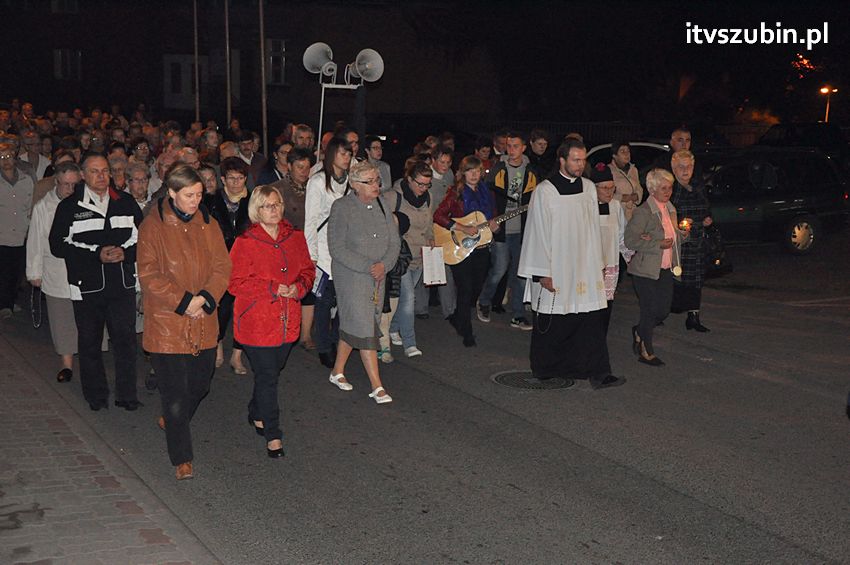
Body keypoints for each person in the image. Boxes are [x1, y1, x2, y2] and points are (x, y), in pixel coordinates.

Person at [137, 164, 231, 480]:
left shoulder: (209, 224)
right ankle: (182, 457)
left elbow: (222, 267)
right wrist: (183, 302)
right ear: (172, 193)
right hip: (168, 322)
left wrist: (204, 298)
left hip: (203, 318)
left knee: (201, 385)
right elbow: (149, 274)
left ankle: (173, 420)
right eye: (189, 195)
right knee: (175, 396)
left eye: (199, 194)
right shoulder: (153, 226)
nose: (195, 200)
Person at [517, 140, 624, 390]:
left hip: (584, 265)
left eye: (583, 159)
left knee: (590, 320)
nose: (580, 164)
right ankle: (546, 369)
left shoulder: (588, 188)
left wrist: (598, 261)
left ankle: (597, 372)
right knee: (555, 321)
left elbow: (592, 227)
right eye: (575, 160)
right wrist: (542, 272)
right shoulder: (545, 191)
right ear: (562, 160)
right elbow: (537, 232)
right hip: (557, 266)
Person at [49, 153, 144, 410]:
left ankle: (127, 395)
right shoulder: (69, 207)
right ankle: (96, 395)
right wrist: (95, 254)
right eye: (94, 171)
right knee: (90, 342)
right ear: (83, 175)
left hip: (121, 284)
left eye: (104, 171)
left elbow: (144, 238)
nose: (101, 176)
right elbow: (57, 245)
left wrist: (127, 253)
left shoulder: (125, 202)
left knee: (126, 342)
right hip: (87, 285)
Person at [229, 184, 315, 457]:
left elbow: (308, 271)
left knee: (271, 373)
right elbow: (235, 282)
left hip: (287, 321)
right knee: (268, 377)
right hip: (257, 323)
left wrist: (299, 287)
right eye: (267, 205)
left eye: (277, 204)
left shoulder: (295, 238)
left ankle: (256, 411)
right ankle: (273, 434)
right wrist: (271, 288)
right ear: (256, 210)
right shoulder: (246, 242)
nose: (274, 209)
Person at [326, 160, 399, 403]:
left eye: (377, 180)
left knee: (357, 324)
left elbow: (394, 241)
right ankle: (377, 386)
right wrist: (369, 267)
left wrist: (384, 265)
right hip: (352, 277)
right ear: (355, 184)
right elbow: (337, 248)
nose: (376, 185)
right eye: (369, 181)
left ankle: (337, 371)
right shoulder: (341, 207)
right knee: (365, 326)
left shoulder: (382, 204)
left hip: (378, 275)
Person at [624, 168, 687, 366]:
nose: (668, 192)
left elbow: (672, 238)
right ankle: (646, 350)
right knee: (649, 310)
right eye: (663, 188)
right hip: (645, 270)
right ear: (652, 190)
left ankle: (639, 330)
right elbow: (630, 240)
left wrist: (683, 235)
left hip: (666, 268)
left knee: (663, 311)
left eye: (670, 188)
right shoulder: (644, 212)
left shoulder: (670, 209)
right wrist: (656, 244)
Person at [26, 162, 82, 382]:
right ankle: (66, 364)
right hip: (56, 271)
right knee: (62, 319)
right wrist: (34, 272)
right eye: (66, 184)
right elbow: (35, 241)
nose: (70, 189)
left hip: (83, 272)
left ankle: (89, 359)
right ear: (56, 182)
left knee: (85, 319)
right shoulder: (44, 206)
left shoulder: (84, 204)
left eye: (74, 184)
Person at [434, 156, 498, 347]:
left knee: (476, 288)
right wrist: (462, 227)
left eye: (477, 171)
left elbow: (492, 218)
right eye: (470, 171)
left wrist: (495, 227)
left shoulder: (488, 193)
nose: (474, 174)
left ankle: (458, 317)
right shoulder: (456, 192)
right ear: (463, 173)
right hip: (460, 247)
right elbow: (439, 215)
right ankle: (466, 332)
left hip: (482, 247)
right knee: (465, 288)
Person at [478, 131, 537, 330]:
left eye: (515, 146)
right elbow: (486, 195)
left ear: (524, 148)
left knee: (520, 274)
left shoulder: (531, 171)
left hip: (522, 231)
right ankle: (484, 301)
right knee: (499, 269)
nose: (511, 150)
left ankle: (518, 314)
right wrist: (491, 220)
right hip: (502, 230)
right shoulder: (498, 169)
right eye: (509, 146)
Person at [304, 136, 353, 368]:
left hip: (346, 250)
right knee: (324, 302)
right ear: (332, 154)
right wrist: (311, 255)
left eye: (349, 154)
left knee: (345, 301)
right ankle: (324, 346)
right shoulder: (317, 182)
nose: (347, 158)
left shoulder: (352, 182)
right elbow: (311, 221)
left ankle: (335, 340)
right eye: (343, 153)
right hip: (323, 251)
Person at [206, 157, 252, 373]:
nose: (236, 183)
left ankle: (237, 354)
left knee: (244, 310)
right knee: (222, 308)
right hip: (219, 261)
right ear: (223, 179)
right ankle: (217, 345)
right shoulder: (210, 202)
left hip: (246, 262)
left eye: (240, 178)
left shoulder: (252, 201)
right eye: (231, 178)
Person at [270, 147, 315, 349]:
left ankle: (305, 335)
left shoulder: (315, 187)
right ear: (289, 166)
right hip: (285, 246)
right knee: (285, 289)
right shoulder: (277, 189)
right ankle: (281, 330)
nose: (304, 172)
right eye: (299, 167)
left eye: (307, 167)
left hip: (309, 245)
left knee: (307, 287)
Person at [388, 161, 434, 357]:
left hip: (420, 254)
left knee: (403, 298)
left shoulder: (428, 197)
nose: (423, 188)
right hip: (402, 256)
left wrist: (431, 238)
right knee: (408, 299)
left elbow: (430, 222)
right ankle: (410, 343)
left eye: (427, 184)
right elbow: (384, 223)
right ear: (409, 179)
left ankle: (392, 328)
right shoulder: (393, 196)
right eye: (420, 184)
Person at [669, 149, 712, 332]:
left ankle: (693, 317)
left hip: (698, 241)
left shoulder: (698, 186)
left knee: (696, 281)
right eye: (681, 167)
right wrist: (684, 223)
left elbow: (706, 207)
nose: (685, 170)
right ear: (673, 168)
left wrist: (707, 218)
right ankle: (660, 312)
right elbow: (669, 214)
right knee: (677, 280)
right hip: (680, 243)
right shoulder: (671, 189)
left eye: (689, 166)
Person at [591, 163, 634, 335]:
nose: (609, 192)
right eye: (605, 188)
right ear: (594, 188)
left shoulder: (615, 206)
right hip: (591, 266)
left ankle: (601, 338)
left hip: (610, 264)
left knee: (607, 305)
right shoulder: (587, 207)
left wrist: (631, 258)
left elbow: (622, 236)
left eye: (612, 187)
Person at [0, 142, 36, 319]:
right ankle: (4, 304)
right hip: (2, 234)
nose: (6, 161)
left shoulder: (26, 180)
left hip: (22, 233)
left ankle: (10, 299)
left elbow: (31, 205)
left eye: (8, 156)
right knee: (3, 271)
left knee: (17, 271)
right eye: (1, 157)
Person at [379, 212, 412, 363]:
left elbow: (403, 265)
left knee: (386, 319)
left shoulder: (400, 244)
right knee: (382, 320)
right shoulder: (377, 239)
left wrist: (388, 266)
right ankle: (383, 348)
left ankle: (381, 347)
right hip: (377, 287)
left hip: (392, 289)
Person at [609, 141, 644, 220]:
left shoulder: (633, 170)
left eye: (628, 151)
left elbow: (639, 188)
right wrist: (621, 198)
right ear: (614, 155)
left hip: (632, 212)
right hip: (616, 213)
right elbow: (604, 193)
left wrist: (637, 196)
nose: (626, 154)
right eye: (622, 151)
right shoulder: (609, 170)